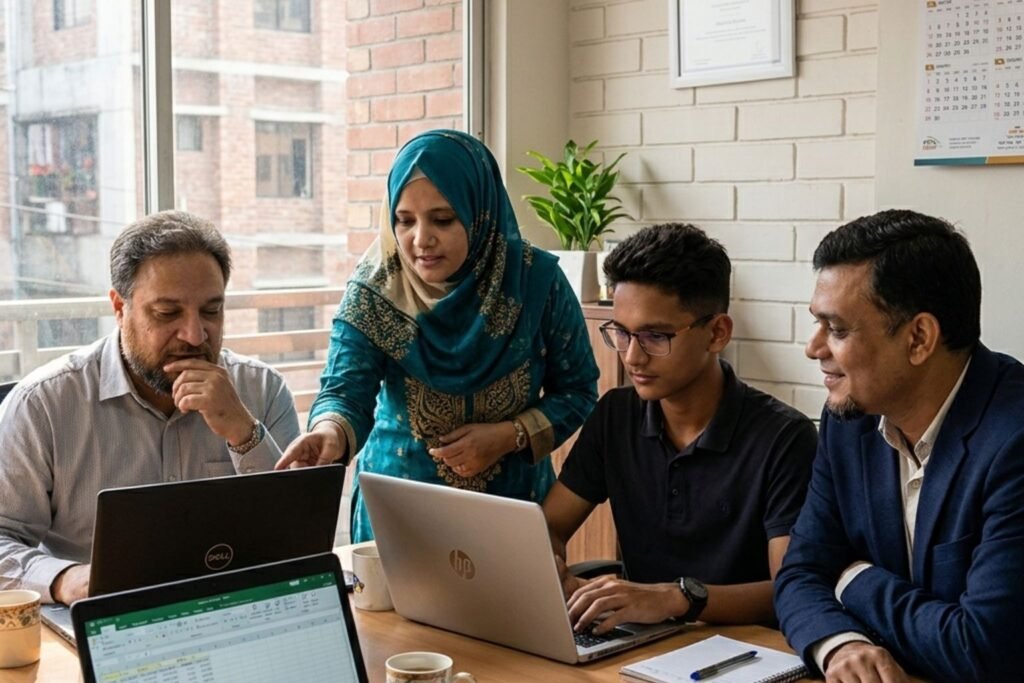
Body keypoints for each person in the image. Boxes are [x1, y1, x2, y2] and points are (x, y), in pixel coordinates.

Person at [277, 130, 599, 542]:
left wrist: (510, 435)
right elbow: (344, 390)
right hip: (399, 513)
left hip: (509, 510)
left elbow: (578, 390)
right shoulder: (376, 289)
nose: (420, 239)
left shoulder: (536, 283)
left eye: (443, 219)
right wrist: (328, 432)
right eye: (404, 220)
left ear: (479, 212)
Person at [774, 209, 1024, 683]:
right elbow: (799, 574)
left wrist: (853, 579)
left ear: (918, 338)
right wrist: (841, 643)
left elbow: (984, 650)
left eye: (837, 329)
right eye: (817, 324)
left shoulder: (1014, 440)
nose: (813, 348)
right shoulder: (848, 421)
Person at [0, 211, 300, 605]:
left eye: (211, 311)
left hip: (235, 612)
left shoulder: (263, 390)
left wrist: (245, 435)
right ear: (119, 307)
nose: (195, 335)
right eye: (167, 313)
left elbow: (300, 540)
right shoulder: (44, 404)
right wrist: (65, 579)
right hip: (105, 619)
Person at [543, 223, 817, 635]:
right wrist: (552, 569)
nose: (632, 357)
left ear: (717, 333)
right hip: (638, 640)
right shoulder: (616, 415)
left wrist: (677, 599)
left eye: (655, 336)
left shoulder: (784, 438)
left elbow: (791, 590)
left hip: (746, 648)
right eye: (621, 333)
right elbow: (549, 527)